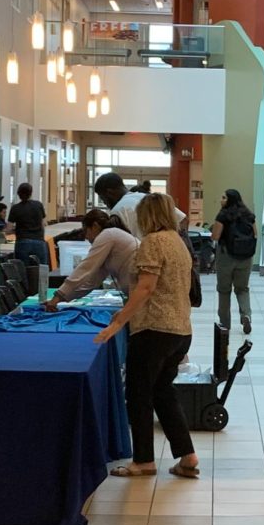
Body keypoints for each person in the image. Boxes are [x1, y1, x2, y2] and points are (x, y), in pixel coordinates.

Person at [93, 193, 200, 479]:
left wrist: (118, 322)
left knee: (138, 395)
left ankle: (143, 460)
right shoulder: (178, 242)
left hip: (153, 330)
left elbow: (145, 288)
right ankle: (187, 455)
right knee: (163, 392)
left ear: (146, 216)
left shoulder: (153, 242)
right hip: (180, 330)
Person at [43, 208, 139, 310]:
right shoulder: (112, 237)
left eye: (86, 231)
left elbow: (85, 268)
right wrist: (60, 298)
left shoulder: (108, 235)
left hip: (141, 293)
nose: (86, 237)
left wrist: (58, 296)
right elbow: (91, 282)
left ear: (95, 226)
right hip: (137, 294)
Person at [210, 189, 257, 334]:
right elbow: (255, 234)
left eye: (224, 198)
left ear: (230, 200)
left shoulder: (223, 215)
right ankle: (246, 315)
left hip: (226, 256)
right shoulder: (249, 215)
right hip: (246, 257)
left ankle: (225, 322)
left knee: (224, 290)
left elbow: (216, 236)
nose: (221, 200)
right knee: (242, 289)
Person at [93, 172, 185, 239]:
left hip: (141, 260)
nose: (104, 203)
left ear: (109, 193)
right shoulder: (149, 198)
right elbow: (183, 220)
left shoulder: (118, 210)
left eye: (103, 198)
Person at [6, 182, 49, 269]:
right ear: (31, 193)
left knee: (22, 270)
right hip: (39, 241)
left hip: (22, 242)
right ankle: (42, 283)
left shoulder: (15, 208)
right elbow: (44, 223)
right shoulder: (38, 205)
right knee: (42, 270)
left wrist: (17, 229)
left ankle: (26, 283)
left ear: (18, 194)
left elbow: (8, 230)